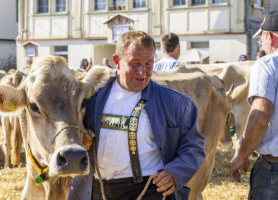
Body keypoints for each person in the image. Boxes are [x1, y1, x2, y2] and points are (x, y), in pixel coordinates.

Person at [68, 30, 205, 200]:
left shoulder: (175, 103)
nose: (142, 72)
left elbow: (194, 146)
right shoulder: (91, 98)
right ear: (117, 61)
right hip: (99, 190)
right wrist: (81, 140)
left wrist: (175, 172)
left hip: (149, 190)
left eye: (148, 64)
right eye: (135, 63)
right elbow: (68, 134)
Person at [229, 10, 278, 199]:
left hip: (273, 170)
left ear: (269, 36)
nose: (261, 44)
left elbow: (260, 117)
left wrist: (242, 156)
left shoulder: (267, 64)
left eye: (262, 38)